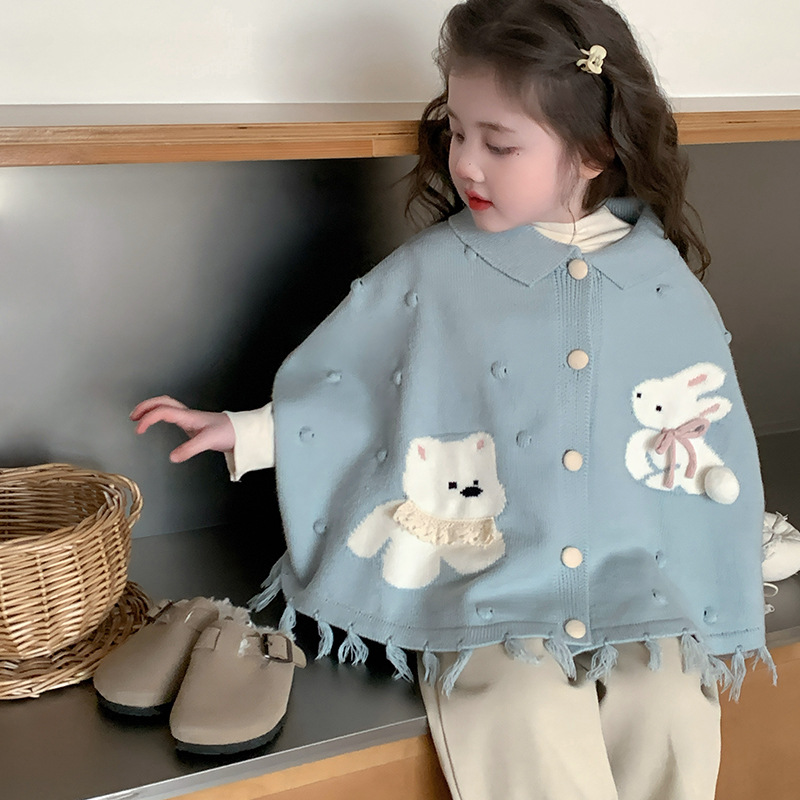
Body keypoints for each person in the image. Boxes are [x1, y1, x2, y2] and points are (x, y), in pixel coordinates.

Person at [132, 1, 771, 797]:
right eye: (457, 132)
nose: (465, 163)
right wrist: (251, 432)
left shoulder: (661, 282)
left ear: (596, 149)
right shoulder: (436, 269)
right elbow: (365, 387)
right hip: (490, 575)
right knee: (517, 699)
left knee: (670, 695)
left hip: (631, 575)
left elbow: (708, 432)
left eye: (498, 143)